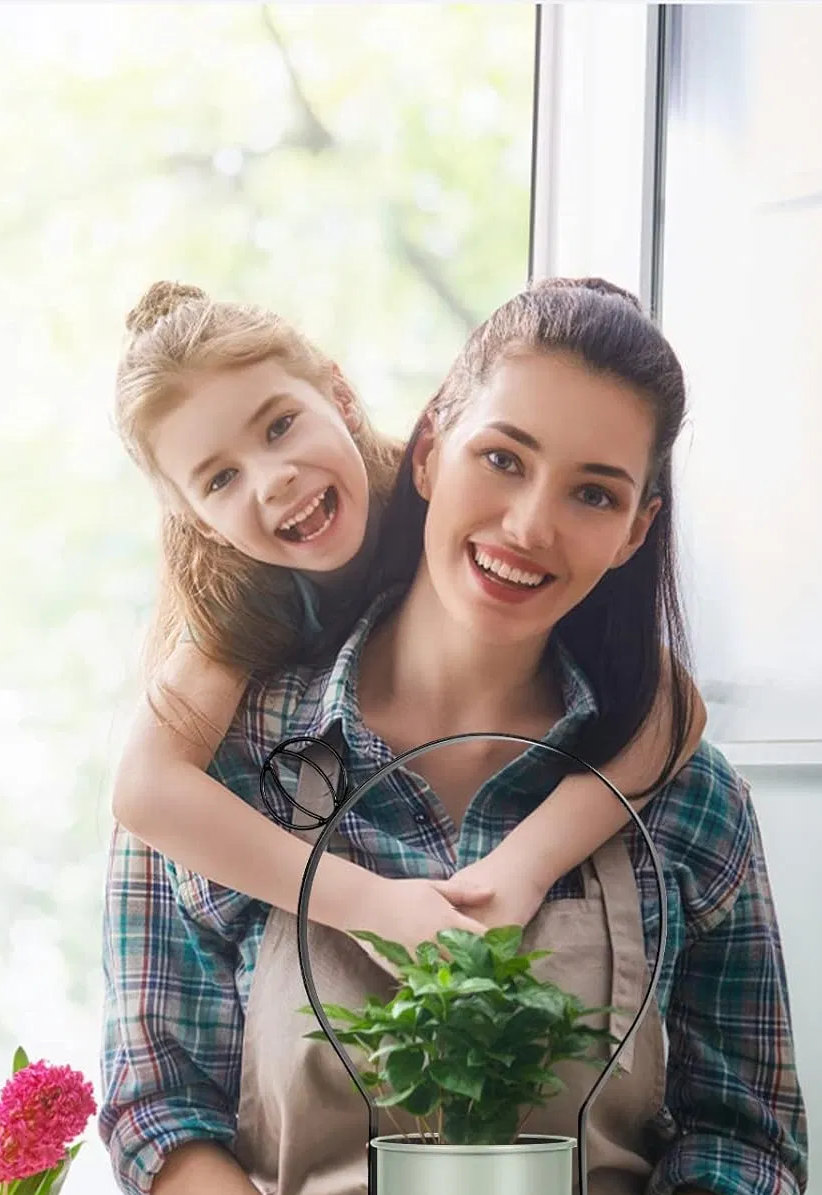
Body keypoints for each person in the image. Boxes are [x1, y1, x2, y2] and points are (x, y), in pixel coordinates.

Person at [101, 278, 808, 1195]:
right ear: (429, 446)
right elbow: (159, 1111)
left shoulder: (686, 798)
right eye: (503, 457)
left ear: (637, 528)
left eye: (594, 492)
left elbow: (747, 1152)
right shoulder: (224, 780)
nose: (532, 526)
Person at [108, 282, 706, 955]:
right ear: (197, 522)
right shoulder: (240, 605)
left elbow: (673, 711)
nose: (272, 479)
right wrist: (369, 904)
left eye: (279, 427)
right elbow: (143, 790)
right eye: (220, 479)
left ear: (340, 395)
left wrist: (523, 870)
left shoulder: (443, 491)